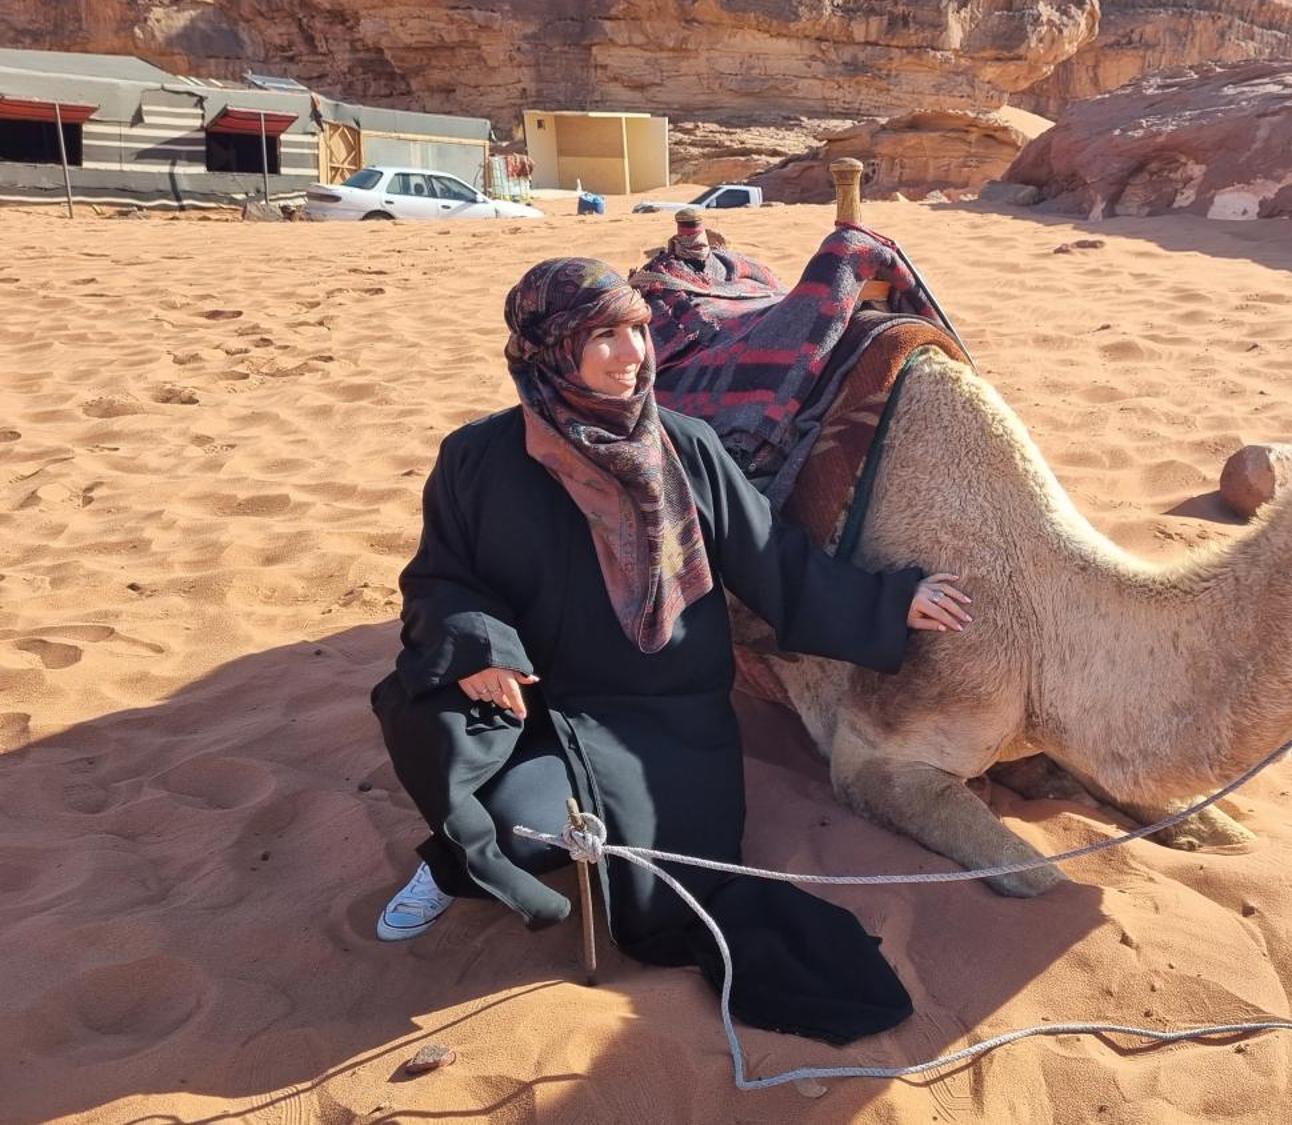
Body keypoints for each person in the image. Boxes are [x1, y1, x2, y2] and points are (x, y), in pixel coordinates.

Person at [370, 257, 972, 1044]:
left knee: (674, 892)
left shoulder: (682, 447)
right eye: (605, 336)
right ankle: (451, 862)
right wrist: (483, 646)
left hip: (668, 717)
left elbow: (773, 562)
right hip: (539, 704)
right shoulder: (477, 459)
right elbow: (439, 577)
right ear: (549, 347)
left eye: (640, 330)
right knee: (523, 830)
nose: (633, 355)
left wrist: (892, 604)